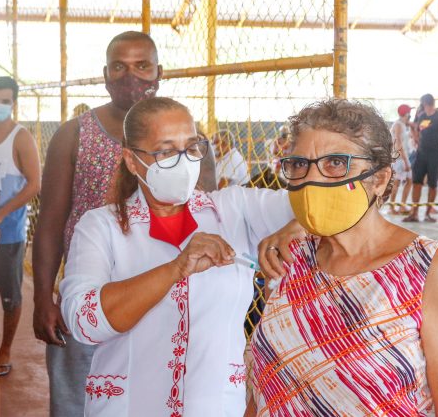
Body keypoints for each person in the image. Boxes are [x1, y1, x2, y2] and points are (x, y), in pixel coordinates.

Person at [60, 97, 299, 416]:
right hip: (128, 406)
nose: (184, 161)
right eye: (166, 151)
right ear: (132, 161)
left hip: (214, 406)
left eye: (191, 147)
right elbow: (84, 322)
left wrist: (294, 228)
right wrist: (175, 269)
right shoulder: (102, 226)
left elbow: (318, 210)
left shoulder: (234, 209)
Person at [248, 99, 438, 415]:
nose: (311, 180)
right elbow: (266, 390)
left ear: (380, 179)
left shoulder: (429, 269)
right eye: (299, 164)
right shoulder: (291, 259)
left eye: (335, 163)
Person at [32, 30, 162, 416]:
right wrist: (42, 297)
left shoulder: (181, 136)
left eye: (142, 66)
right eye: (119, 67)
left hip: (157, 294)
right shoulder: (74, 135)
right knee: (77, 400)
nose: (131, 76)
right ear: (105, 75)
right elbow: (51, 221)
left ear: (159, 72)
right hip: (86, 294)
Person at [0, 76, 41, 376]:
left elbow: (34, 184)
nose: (0, 105)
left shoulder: (21, 138)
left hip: (8, 235)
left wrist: (3, 212)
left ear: (13, 103)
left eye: (6, 101)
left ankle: (4, 349)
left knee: (10, 296)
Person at [404, 94, 438, 223]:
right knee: (417, 183)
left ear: (425, 103)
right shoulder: (421, 116)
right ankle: (414, 213)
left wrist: (436, 142)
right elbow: (415, 128)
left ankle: (427, 214)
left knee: (432, 184)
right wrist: (417, 139)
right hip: (421, 154)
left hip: (435, 155)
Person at [389, 103, 413, 214]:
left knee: (409, 181)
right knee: (396, 183)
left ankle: (402, 206)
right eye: (409, 112)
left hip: (403, 157)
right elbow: (398, 143)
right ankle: (392, 207)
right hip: (399, 158)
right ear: (407, 113)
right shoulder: (398, 125)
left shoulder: (403, 125)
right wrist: (405, 161)